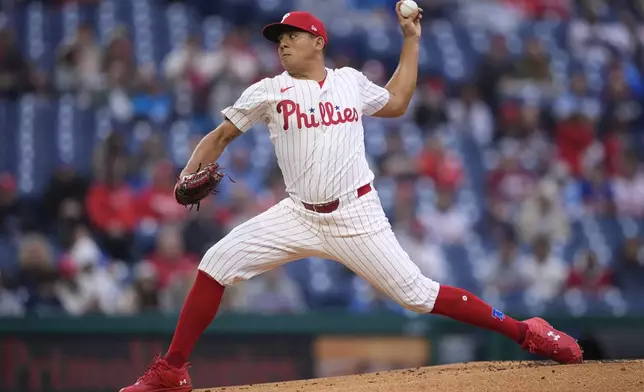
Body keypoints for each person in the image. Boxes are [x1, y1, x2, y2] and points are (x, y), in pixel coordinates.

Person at [120, 4, 582, 392]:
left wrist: (411, 39)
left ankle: (527, 332)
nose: (281, 42)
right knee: (215, 263)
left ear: (317, 41)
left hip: (357, 213)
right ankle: (172, 370)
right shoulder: (267, 90)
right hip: (298, 213)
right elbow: (219, 137)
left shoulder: (350, 81)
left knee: (419, 295)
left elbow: (398, 102)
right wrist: (187, 172)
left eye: (291, 35)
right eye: (277, 37)